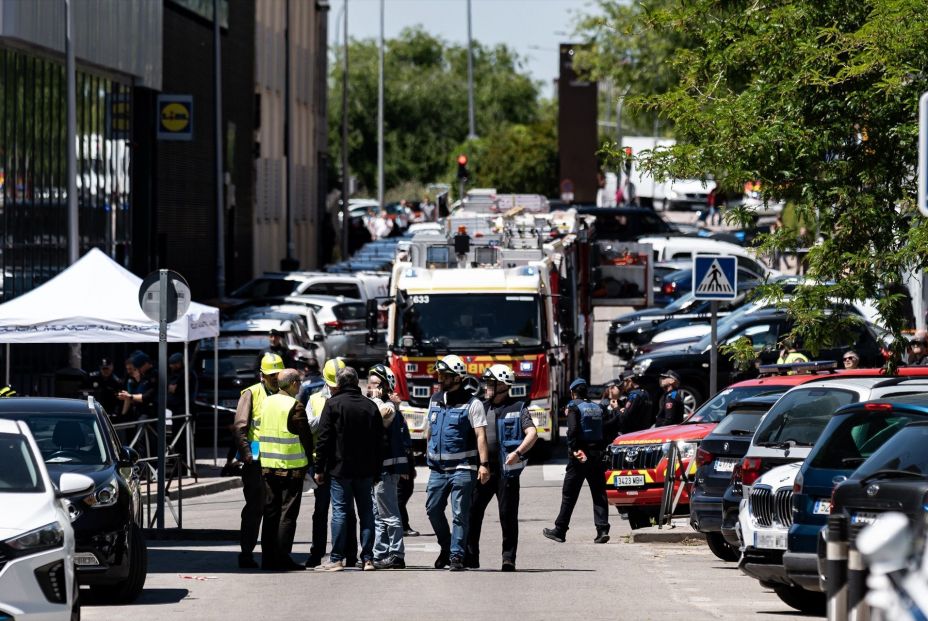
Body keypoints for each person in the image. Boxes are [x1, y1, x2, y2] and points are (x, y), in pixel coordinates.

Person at [465, 364, 537, 572]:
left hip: (507, 472)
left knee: (507, 515)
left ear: (504, 386)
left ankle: (508, 558)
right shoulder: (481, 406)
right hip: (484, 470)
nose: (487, 387)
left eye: (491, 383)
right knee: (472, 512)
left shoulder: (519, 408)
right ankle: (471, 557)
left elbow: (532, 433)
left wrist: (518, 453)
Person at [314, 367, 384, 572]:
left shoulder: (333, 404)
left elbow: (324, 439)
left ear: (340, 383)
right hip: (365, 470)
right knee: (367, 513)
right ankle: (368, 559)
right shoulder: (370, 406)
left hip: (340, 469)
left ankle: (336, 558)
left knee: (340, 512)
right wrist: (377, 470)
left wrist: (319, 468)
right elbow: (380, 441)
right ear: (356, 382)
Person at [424, 354, 491, 571]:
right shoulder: (434, 399)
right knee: (433, 509)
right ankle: (446, 546)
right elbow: (429, 430)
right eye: (440, 374)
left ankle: (456, 556)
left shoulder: (473, 404)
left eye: (445, 375)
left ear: (457, 378)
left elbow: (481, 435)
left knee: (460, 513)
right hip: (437, 469)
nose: (440, 378)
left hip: (463, 467)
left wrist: (484, 464)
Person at [232, 353, 285, 569]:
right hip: (256, 462)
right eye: (271, 375)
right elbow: (240, 426)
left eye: (278, 374)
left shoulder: (284, 394)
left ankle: (271, 555)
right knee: (255, 508)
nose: (274, 378)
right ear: (262, 375)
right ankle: (246, 553)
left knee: (274, 509)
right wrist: (247, 455)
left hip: (279, 462)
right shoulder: (251, 394)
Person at [543, 378, 610, 544]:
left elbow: (572, 430)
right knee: (599, 493)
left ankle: (560, 530)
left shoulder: (574, 406)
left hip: (580, 455)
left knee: (569, 494)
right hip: (597, 455)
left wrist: (573, 449)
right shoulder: (597, 407)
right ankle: (602, 530)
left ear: (573, 393)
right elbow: (606, 428)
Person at [259, 369, 313, 571]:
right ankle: (282, 557)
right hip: (291, 469)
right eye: (298, 381)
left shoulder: (266, 402)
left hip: (268, 466)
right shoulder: (294, 405)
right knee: (287, 514)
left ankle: (267, 558)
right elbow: (305, 437)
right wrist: (309, 459)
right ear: (291, 384)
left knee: (270, 512)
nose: (300, 385)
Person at [305, 357, 353, 568]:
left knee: (346, 511)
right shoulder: (315, 399)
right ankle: (317, 552)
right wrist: (325, 415)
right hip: (322, 462)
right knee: (321, 510)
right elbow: (308, 427)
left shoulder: (350, 399)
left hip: (344, 462)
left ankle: (349, 553)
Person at [368, 365, 410, 570]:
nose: (370, 387)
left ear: (385, 386)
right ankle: (380, 553)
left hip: (386, 471)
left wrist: (375, 399)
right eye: (369, 383)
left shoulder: (387, 407)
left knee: (390, 515)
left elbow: (378, 419)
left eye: (375, 384)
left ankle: (396, 554)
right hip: (378, 470)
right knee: (378, 515)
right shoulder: (385, 405)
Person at [166, 352, 196, 417]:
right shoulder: (174, 373)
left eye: (173, 364)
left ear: (179, 363)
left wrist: (174, 388)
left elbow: (178, 389)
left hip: (182, 407)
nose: (170, 366)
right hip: (173, 407)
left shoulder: (188, 374)